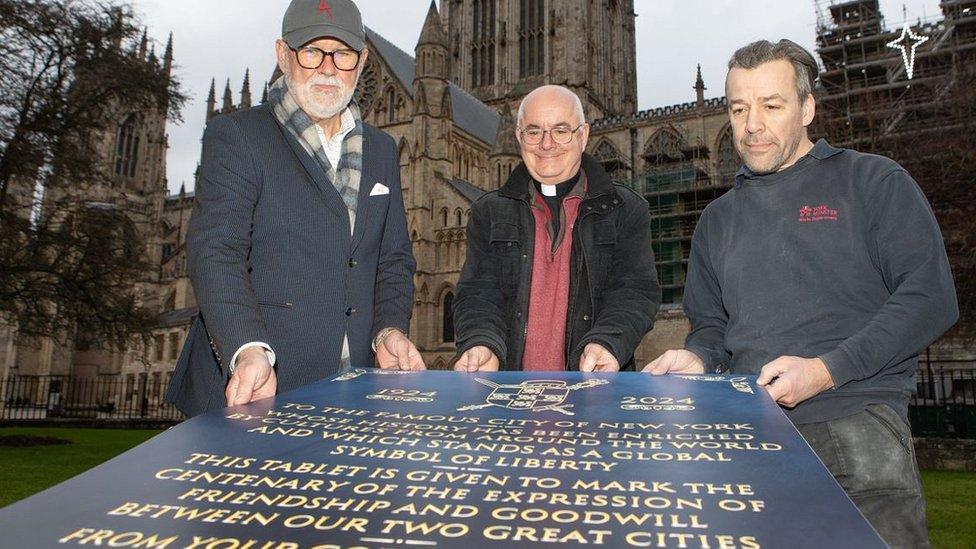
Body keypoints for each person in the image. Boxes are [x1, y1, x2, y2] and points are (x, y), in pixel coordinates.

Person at [644, 39, 957, 548]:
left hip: (857, 425)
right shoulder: (715, 221)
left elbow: (930, 297)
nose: (751, 125)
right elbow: (714, 331)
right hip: (750, 438)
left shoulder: (872, 180)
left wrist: (824, 370)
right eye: (739, 108)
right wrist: (697, 359)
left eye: (771, 105)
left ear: (807, 107)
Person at [166, 0, 423, 417]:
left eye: (342, 54)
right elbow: (216, 251)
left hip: (353, 391)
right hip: (257, 385)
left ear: (360, 63)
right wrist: (247, 348)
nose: (327, 68)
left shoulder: (380, 149)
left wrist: (388, 330)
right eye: (311, 51)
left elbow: (393, 259)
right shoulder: (238, 135)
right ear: (283, 56)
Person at [453, 85, 660, 373]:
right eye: (534, 131)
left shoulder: (625, 209)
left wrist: (607, 343)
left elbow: (634, 292)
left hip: (591, 394)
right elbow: (477, 293)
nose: (547, 144)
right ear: (519, 137)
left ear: (583, 135)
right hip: (507, 396)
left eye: (561, 130)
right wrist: (481, 342)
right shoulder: (488, 211)